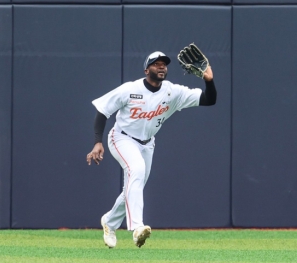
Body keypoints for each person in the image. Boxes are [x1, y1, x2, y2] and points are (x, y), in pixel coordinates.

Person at [86, 51, 216, 248]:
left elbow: (209, 99)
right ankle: (137, 228)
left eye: (164, 64)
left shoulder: (173, 92)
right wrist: (98, 141)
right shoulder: (130, 89)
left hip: (147, 143)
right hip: (122, 138)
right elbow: (103, 110)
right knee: (136, 171)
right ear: (147, 70)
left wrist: (209, 80)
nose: (162, 66)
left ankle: (109, 221)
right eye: (156, 64)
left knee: (134, 186)